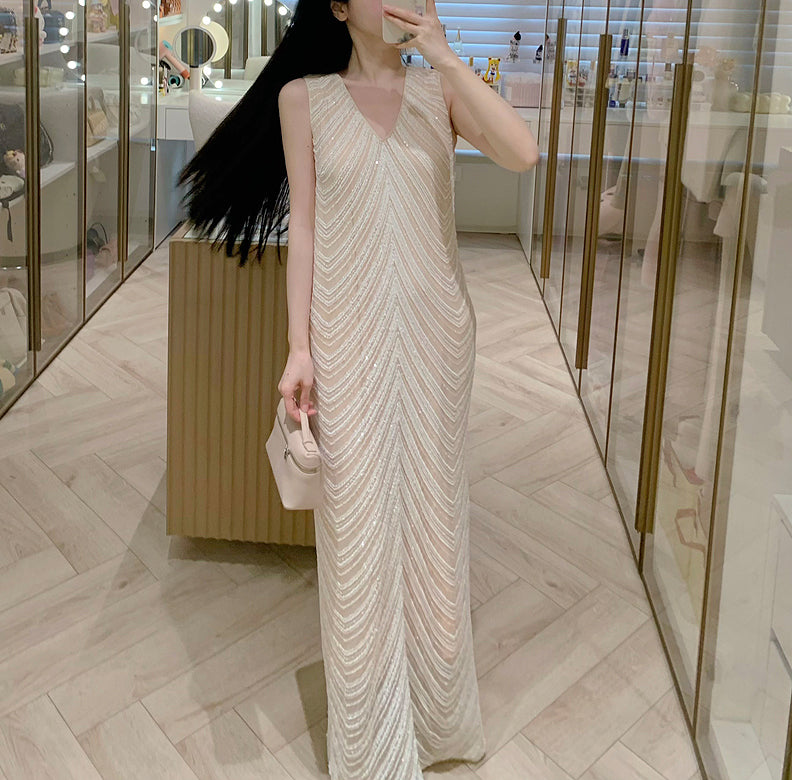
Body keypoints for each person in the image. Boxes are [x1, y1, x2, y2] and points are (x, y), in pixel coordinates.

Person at [178, 0, 538, 775]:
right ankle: (372, 734)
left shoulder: (441, 91)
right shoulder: (303, 99)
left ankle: (437, 720)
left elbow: (522, 153)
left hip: (438, 335)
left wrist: (444, 56)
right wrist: (298, 346)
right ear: (340, 7)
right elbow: (305, 226)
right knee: (357, 527)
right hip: (347, 336)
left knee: (437, 518)